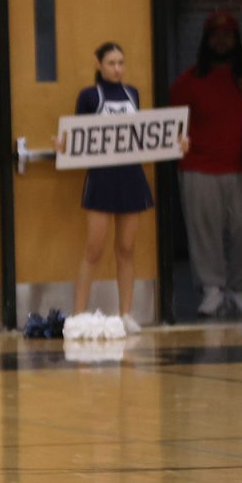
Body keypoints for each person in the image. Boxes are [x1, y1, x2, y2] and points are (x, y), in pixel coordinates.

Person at [169, 11, 242, 318]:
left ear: (236, 39)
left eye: (228, 35)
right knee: (203, 230)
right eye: (216, 35)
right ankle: (212, 289)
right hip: (198, 167)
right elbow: (173, 127)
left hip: (241, 166)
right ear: (206, 41)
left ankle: (239, 288)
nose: (222, 41)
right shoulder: (187, 82)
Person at [71, 42, 155, 333]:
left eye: (121, 62)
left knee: (127, 249)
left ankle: (126, 313)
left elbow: (143, 133)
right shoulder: (88, 96)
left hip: (131, 174)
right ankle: (79, 314)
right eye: (111, 63)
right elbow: (78, 136)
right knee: (94, 248)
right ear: (99, 64)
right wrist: (64, 144)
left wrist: (174, 142)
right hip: (102, 177)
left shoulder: (133, 93)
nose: (117, 68)